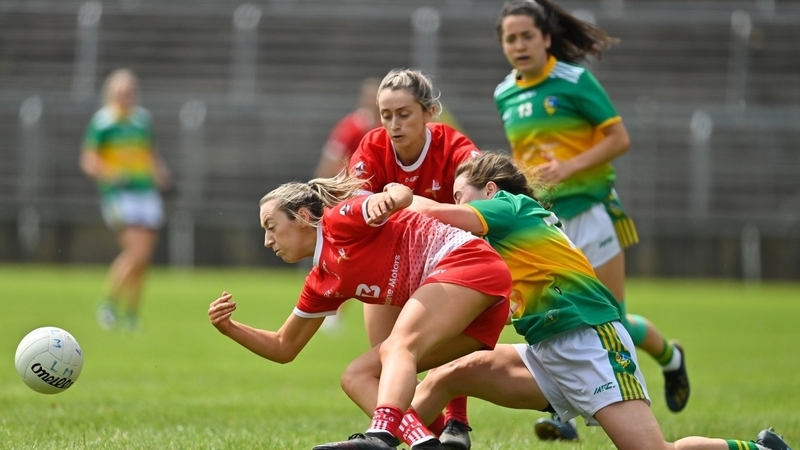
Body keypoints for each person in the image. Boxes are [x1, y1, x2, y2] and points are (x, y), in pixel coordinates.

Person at [407, 152, 793, 450]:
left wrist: (385, 199)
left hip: (590, 341)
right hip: (547, 351)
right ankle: (380, 436)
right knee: (445, 376)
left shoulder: (510, 207)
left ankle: (761, 448)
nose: (456, 203)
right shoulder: (506, 241)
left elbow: (438, 214)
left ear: (490, 190)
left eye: (461, 195)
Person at [490, 0, 689, 440]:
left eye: (527, 36)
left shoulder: (575, 81)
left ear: (545, 38)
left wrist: (569, 167)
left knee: (607, 318)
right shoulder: (505, 92)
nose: (519, 45)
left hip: (593, 211)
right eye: (510, 38)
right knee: (558, 318)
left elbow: (619, 138)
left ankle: (670, 358)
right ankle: (568, 421)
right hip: (546, 224)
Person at [207, 175, 512, 450]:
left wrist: (391, 197)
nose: (267, 240)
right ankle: (425, 444)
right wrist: (229, 328)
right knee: (357, 375)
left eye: (271, 227)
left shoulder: (338, 219)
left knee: (397, 347)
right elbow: (283, 346)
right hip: (479, 309)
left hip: (471, 265)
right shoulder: (321, 281)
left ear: (301, 217)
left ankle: (381, 436)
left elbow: (403, 196)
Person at [343, 68, 481, 436]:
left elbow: (482, 195)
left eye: (403, 114)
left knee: (437, 346)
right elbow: (353, 201)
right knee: (388, 358)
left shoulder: (454, 146)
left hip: (447, 264)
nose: (393, 124)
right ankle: (431, 437)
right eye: (386, 115)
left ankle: (457, 421)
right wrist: (367, 207)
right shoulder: (371, 146)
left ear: (429, 113)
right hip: (387, 265)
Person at [80, 68, 170, 332]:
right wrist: (111, 173)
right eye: (120, 91)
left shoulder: (142, 120)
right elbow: (88, 161)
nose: (125, 95)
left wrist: (163, 177)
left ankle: (131, 313)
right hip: (120, 195)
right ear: (111, 93)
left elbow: (149, 155)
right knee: (136, 252)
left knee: (144, 258)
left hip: (146, 192)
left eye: (129, 91)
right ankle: (108, 304)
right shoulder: (103, 122)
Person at [313, 78, 381, 179]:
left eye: (374, 97)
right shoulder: (351, 125)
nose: (372, 101)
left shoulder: (384, 127)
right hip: (349, 182)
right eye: (369, 97)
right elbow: (331, 158)